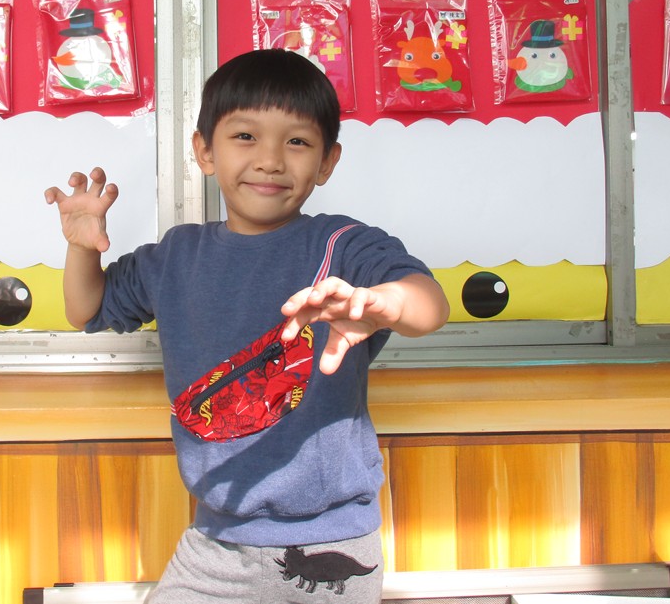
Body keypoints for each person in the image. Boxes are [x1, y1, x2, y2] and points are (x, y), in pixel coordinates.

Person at [45, 48, 449, 603]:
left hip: (332, 539)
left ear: (327, 162)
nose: (270, 160)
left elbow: (429, 304)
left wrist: (386, 302)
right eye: (245, 137)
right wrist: (81, 250)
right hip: (215, 540)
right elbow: (87, 309)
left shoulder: (342, 244)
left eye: (297, 142)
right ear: (205, 151)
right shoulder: (176, 255)